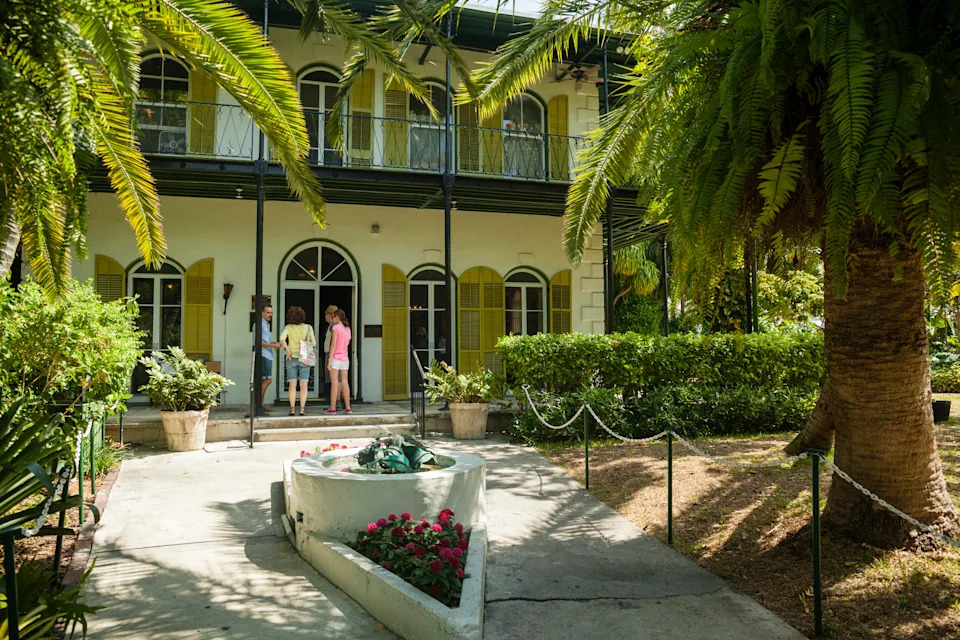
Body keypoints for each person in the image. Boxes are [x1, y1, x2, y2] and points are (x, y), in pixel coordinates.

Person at [279, 305, 316, 416]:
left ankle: (292, 409)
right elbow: (313, 343)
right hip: (304, 358)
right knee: (304, 385)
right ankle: (302, 409)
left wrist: (288, 349)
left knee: (292, 385)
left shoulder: (288, 327)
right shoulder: (308, 328)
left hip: (291, 358)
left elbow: (281, 339)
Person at [253, 304, 281, 412]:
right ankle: (259, 404)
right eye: (268, 312)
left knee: (263, 380)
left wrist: (272, 343)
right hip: (263, 355)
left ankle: (261, 404)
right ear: (262, 313)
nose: (270, 315)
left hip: (266, 354)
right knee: (268, 380)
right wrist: (273, 345)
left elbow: (264, 341)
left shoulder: (265, 324)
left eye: (271, 312)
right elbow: (259, 342)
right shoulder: (259, 324)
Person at [327, 309, 352, 414]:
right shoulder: (348, 329)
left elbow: (333, 345)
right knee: (345, 382)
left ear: (337, 317)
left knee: (334, 383)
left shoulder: (335, 328)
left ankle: (332, 407)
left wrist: (329, 360)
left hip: (336, 357)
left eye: (333, 317)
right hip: (345, 358)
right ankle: (348, 407)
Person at [322, 304, 338, 404]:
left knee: (334, 379)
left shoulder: (334, 326)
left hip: (332, 354)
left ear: (331, 315)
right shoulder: (332, 325)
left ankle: (336, 402)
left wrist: (330, 358)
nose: (325, 316)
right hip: (331, 353)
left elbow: (334, 342)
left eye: (326, 314)